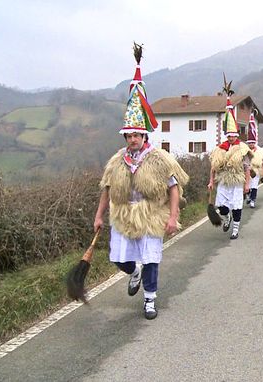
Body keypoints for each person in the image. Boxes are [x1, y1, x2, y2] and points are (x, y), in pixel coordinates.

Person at [94, 43, 189, 320]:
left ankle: (149, 300)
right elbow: (107, 189)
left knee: (151, 259)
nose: (133, 139)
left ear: (145, 136)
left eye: (138, 135)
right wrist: (99, 216)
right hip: (124, 215)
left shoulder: (159, 159)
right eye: (129, 135)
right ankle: (132, 273)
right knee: (119, 258)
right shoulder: (117, 161)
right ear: (125, 137)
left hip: (150, 215)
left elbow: (173, 188)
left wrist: (172, 217)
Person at [208, 79, 252, 239]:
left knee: (237, 206)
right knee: (222, 207)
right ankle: (227, 218)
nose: (232, 137)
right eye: (229, 135)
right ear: (227, 135)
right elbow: (213, 167)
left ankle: (235, 229)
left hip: (237, 181)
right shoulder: (220, 149)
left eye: (234, 135)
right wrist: (211, 181)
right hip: (224, 181)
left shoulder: (243, 148)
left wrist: (247, 183)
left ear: (237, 135)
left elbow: (246, 167)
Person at [246, 110, 263, 209]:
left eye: (252, 143)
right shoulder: (244, 150)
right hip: (246, 171)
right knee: (248, 187)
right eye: (249, 143)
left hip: (256, 171)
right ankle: (249, 196)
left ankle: (253, 200)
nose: (251, 144)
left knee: (254, 186)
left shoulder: (261, 151)